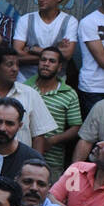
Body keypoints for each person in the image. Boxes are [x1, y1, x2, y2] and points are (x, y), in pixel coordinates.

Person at [28, 46, 83, 179]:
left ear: (59, 67)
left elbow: (76, 128)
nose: (46, 64)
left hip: (53, 161)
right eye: (43, 60)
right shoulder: (24, 88)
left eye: (52, 61)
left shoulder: (69, 94)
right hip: (24, 156)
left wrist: (52, 141)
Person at [11, 0, 78, 84]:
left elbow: (67, 54)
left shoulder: (70, 21)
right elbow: (17, 54)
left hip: (56, 82)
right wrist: (55, 58)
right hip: (25, 80)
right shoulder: (26, 19)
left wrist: (34, 49)